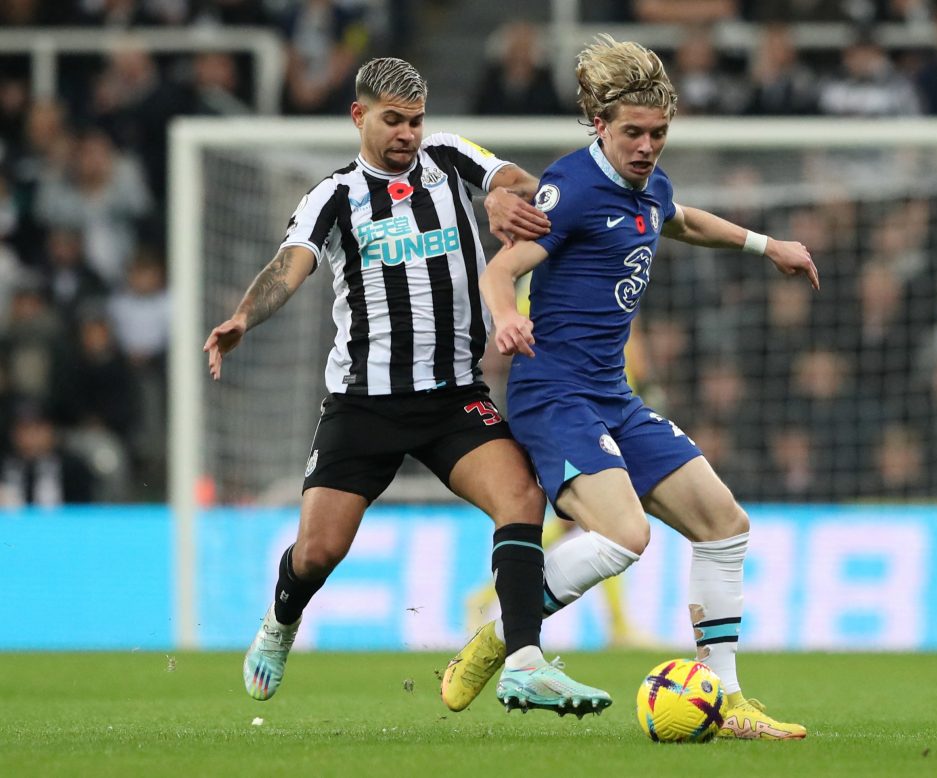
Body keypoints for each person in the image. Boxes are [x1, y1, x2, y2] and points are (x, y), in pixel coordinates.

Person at [203, 57, 610, 716]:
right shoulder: (332, 196)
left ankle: (525, 662)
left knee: (521, 497)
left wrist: (509, 194)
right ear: (359, 117)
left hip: (453, 396)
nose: (408, 134)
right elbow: (291, 264)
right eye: (393, 121)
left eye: (415, 121)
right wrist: (245, 316)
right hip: (365, 404)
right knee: (317, 551)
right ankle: (280, 623)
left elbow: (511, 179)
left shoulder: (449, 158)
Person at [459, 35, 818, 739]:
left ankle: (728, 697)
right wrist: (506, 321)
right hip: (554, 394)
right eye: (633, 133)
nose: (647, 145)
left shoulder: (649, 186)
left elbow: (680, 220)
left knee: (724, 527)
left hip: (611, 395)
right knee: (625, 536)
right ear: (600, 125)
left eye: (658, 133)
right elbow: (500, 271)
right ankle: (500, 639)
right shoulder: (571, 188)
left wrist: (765, 245)